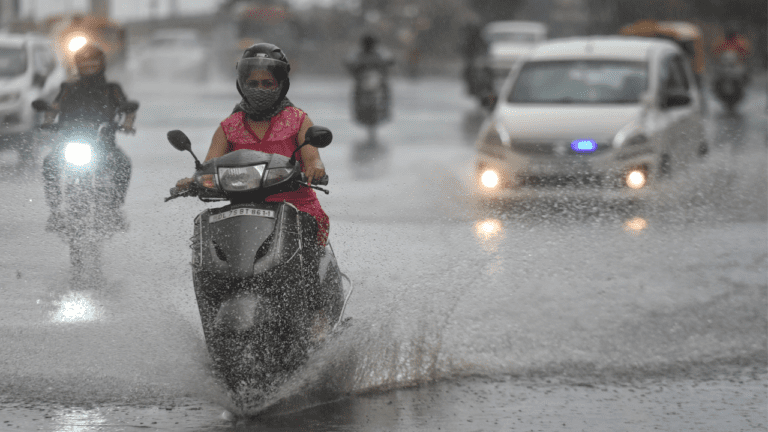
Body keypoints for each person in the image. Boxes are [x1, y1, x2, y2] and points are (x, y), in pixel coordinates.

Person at [175, 42, 330, 248]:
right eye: (253, 84)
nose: (260, 89)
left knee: (308, 241)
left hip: (296, 207)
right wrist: (194, 180)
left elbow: (313, 159)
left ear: (281, 84)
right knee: (207, 241)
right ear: (242, 84)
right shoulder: (228, 127)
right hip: (242, 211)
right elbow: (209, 166)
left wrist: (316, 168)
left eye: (267, 83)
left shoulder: (299, 120)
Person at [41, 44, 137, 231]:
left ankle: (115, 210)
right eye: (85, 62)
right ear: (77, 64)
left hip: (104, 144)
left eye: (93, 61)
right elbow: (54, 107)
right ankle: (55, 211)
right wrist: (48, 120)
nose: (89, 65)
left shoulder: (112, 89)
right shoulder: (68, 87)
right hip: (69, 142)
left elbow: (128, 109)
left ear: (102, 63)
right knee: (49, 163)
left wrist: (127, 124)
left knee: (124, 164)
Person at [344, 34, 395, 127]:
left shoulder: (380, 52)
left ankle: (386, 110)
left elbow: (389, 59)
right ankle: (357, 112)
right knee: (356, 92)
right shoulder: (358, 53)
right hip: (362, 79)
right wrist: (353, 69)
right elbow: (349, 61)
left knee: (385, 89)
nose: (369, 46)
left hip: (377, 78)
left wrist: (387, 66)